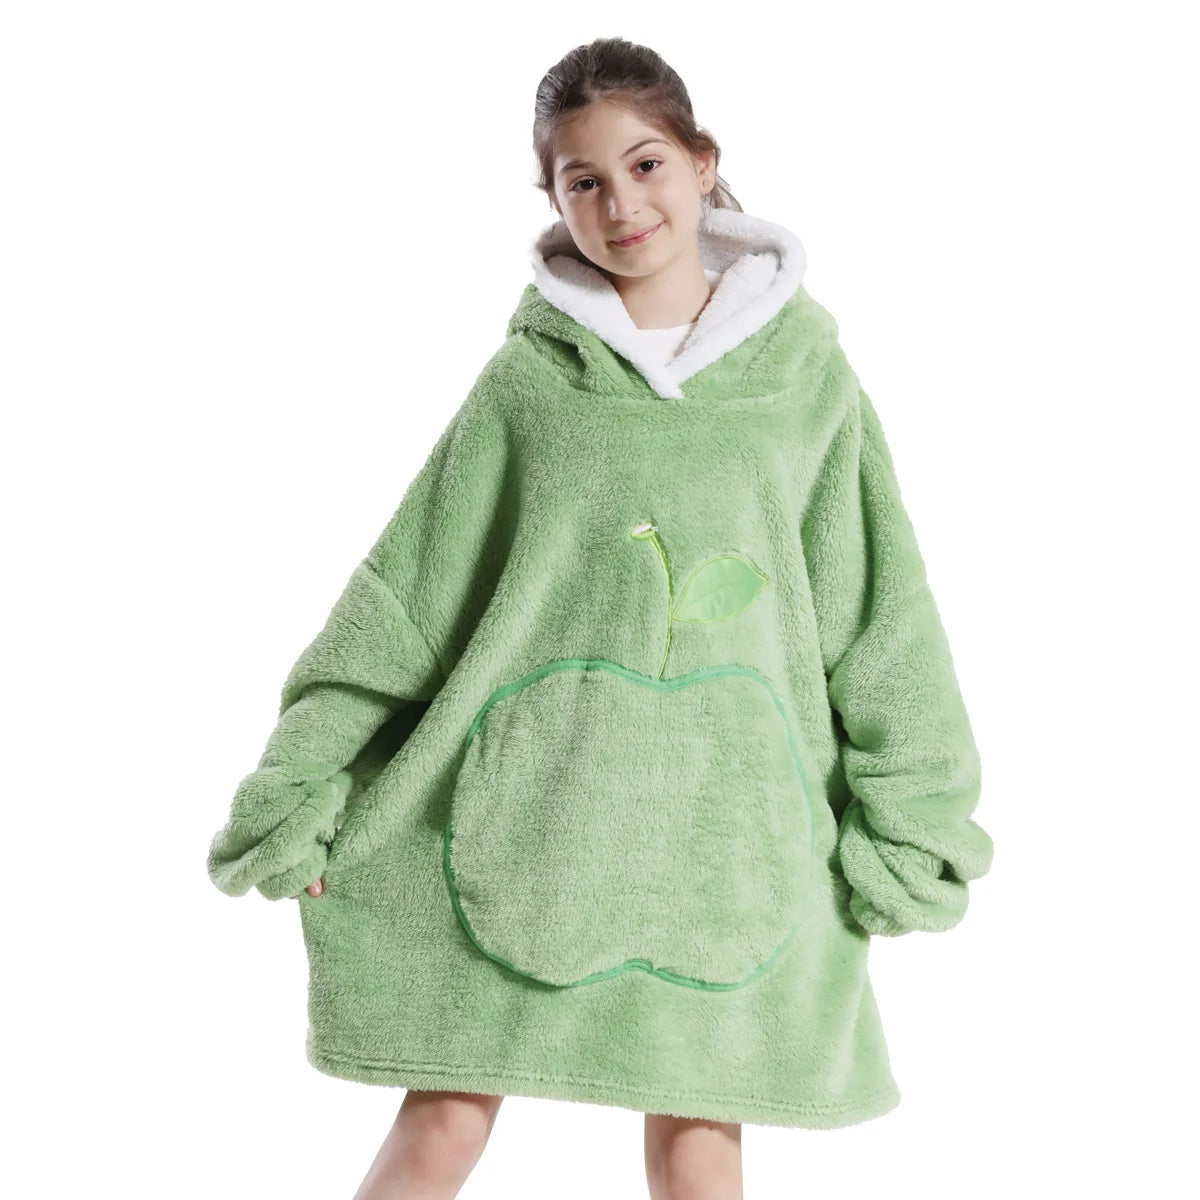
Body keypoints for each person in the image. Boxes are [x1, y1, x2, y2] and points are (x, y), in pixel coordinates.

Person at [206, 35, 994, 1200]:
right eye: (584, 180)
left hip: (727, 840)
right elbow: (409, 602)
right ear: (553, 199)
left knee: (698, 1148)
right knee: (444, 1124)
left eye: (646, 165)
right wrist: (308, 781)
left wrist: (915, 814)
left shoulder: (804, 382)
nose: (622, 205)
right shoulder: (528, 385)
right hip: (532, 820)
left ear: (702, 162)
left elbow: (878, 611)